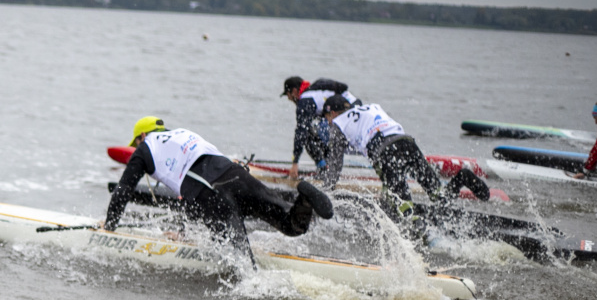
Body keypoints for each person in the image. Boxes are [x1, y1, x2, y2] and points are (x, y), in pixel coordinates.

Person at [103, 116, 334, 260]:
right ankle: (303, 196)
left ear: (142, 136)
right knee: (291, 225)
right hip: (235, 174)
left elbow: (123, 191)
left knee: (238, 260)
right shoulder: (183, 134)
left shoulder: (145, 149)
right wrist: (184, 232)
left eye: (135, 143)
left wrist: (109, 228)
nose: (135, 148)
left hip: (210, 190)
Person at [319, 97, 490, 218]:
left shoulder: (338, 124)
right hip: (407, 143)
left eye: (327, 119)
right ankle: (462, 177)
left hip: (385, 154)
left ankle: (423, 240)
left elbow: (335, 166)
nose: (328, 123)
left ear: (333, 113)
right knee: (438, 195)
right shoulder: (369, 108)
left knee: (403, 206)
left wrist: (324, 194)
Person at [280, 76, 355, 183]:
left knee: (306, 135)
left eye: (288, 95)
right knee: (313, 132)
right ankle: (326, 167)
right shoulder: (314, 94)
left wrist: (295, 163)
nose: (289, 99)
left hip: (348, 110)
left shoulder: (305, 101)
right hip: (351, 107)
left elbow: (300, 132)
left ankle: (326, 172)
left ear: (295, 91)